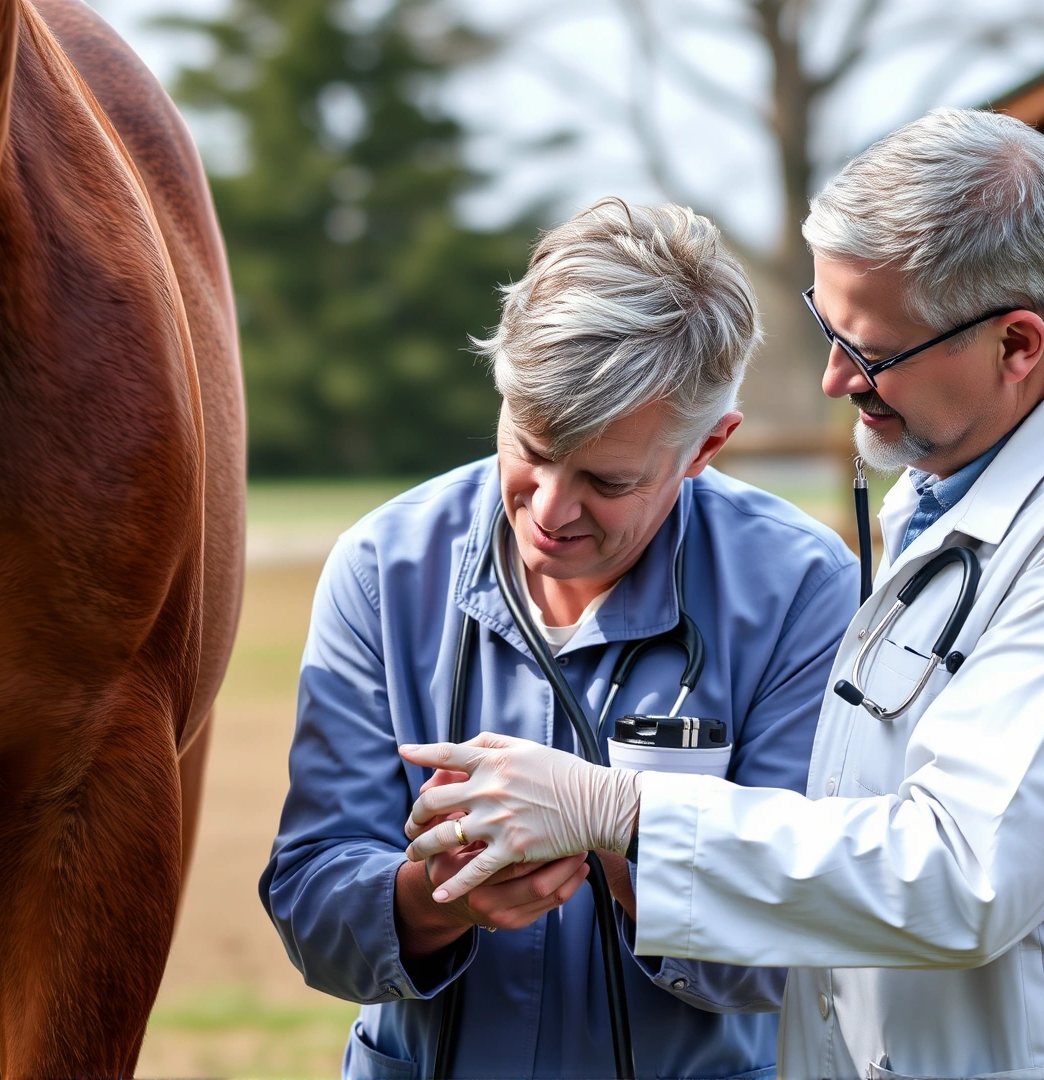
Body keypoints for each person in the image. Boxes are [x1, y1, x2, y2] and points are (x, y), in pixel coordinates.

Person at [401, 108, 1044, 1079]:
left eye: (873, 351)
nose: (834, 377)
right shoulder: (952, 484)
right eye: (827, 324)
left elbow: (961, 874)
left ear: (1016, 344)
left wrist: (620, 809)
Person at [259, 199, 860, 1079]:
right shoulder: (382, 566)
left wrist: (620, 835)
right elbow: (311, 905)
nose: (548, 510)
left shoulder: (804, 587)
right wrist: (432, 897)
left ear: (708, 448)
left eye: (607, 480)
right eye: (531, 447)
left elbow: (804, 945)